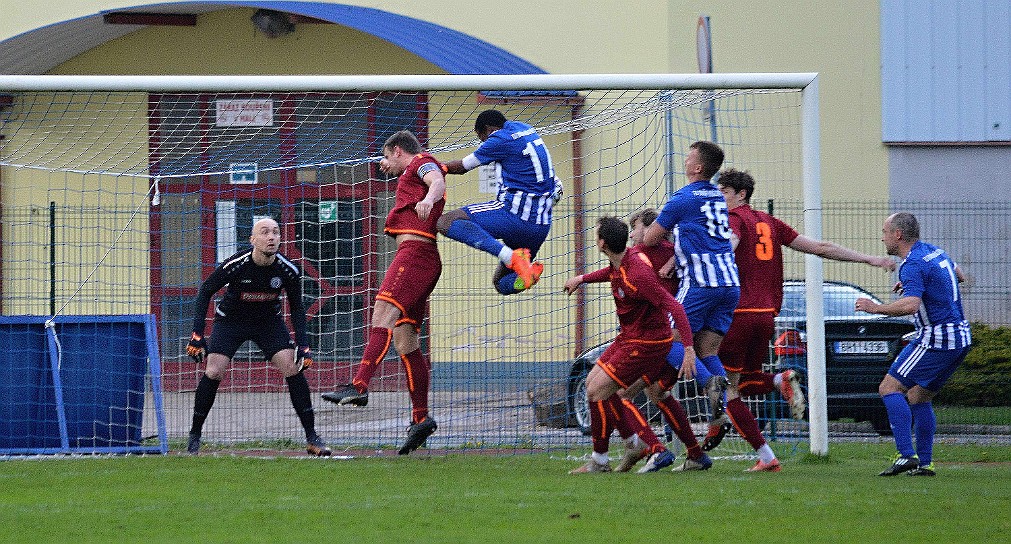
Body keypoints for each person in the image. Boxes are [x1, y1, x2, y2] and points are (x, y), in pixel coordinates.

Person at [706, 168, 895, 471]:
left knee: (724, 387)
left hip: (737, 315)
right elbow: (821, 248)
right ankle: (780, 380)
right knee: (746, 383)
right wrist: (869, 258)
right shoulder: (770, 222)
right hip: (766, 316)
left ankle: (765, 457)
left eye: (724, 192)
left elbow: (726, 248)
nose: (719, 198)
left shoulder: (733, 220)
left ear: (741, 195)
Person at [321, 130, 447, 455]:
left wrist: (429, 199)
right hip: (423, 258)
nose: (383, 163)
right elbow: (421, 176)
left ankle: (360, 385)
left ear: (396, 150)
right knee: (406, 341)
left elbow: (436, 181)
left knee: (382, 312)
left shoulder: (421, 161)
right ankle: (420, 418)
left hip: (415, 256)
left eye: (386, 156)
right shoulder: (411, 170)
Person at [563, 216, 712, 473]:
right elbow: (610, 272)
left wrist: (688, 349)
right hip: (631, 337)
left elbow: (674, 307)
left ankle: (606, 458)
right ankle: (654, 448)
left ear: (602, 243)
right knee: (597, 386)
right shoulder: (622, 260)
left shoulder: (638, 273)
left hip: (648, 343)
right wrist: (582, 279)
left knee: (601, 391)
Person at [185, 217, 330, 457]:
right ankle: (194, 436)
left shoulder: (288, 270)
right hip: (231, 321)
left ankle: (312, 437)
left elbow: (296, 308)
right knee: (213, 371)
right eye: (264, 232)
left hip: (268, 323)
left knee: (292, 368)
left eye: (275, 232)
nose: (271, 237)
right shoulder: (236, 264)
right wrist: (197, 335)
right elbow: (205, 291)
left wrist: (303, 346)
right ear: (253, 239)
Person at [856, 212, 971, 477]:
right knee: (919, 396)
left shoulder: (912, 264)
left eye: (885, 231)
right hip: (961, 337)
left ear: (897, 235)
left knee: (888, 387)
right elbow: (959, 275)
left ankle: (906, 456)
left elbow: (911, 305)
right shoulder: (933, 252)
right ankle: (925, 464)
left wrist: (875, 308)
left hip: (937, 338)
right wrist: (918, 284)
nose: (882, 237)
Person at [640, 141, 739, 434]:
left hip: (700, 282)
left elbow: (649, 239)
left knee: (665, 339)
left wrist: (665, 227)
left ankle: (708, 383)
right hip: (730, 283)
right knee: (708, 349)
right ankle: (723, 409)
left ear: (697, 167)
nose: (684, 161)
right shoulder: (718, 197)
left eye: (688, 158)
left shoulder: (681, 198)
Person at [438, 109, 561, 295]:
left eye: (481, 138)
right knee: (501, 282)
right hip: (541, 225)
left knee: (445, 222)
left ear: (486, 130)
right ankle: (527, 273)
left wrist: (428, 166)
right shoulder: (525, 128)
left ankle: (511, 257)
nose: (483, 143)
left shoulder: (499, 139)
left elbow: (461, 167)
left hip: (514, 214)